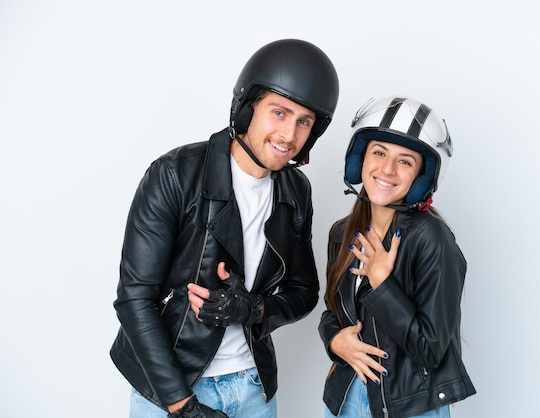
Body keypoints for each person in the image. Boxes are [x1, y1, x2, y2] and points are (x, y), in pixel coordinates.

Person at [110, 38, 339, 418]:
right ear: (248, 109)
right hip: (170, 391)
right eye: (279, 113)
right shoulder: (175, 175)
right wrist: (182, 407)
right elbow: (134, 299)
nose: (288, 135)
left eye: (304, 122)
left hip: (253, 387)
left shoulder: (296, 190)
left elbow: (304, 291)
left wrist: (254, 310)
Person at [319, 96, 476, 418]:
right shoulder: (342, 233)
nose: (387, 169)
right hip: (345, 397)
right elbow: (333, 312)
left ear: (421, 177)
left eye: (405, 161)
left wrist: (381, 282)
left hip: (411, 406)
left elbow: (431, 349)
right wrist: (334, 340)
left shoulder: (432, 239)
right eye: (379, 153)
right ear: (360, 159)